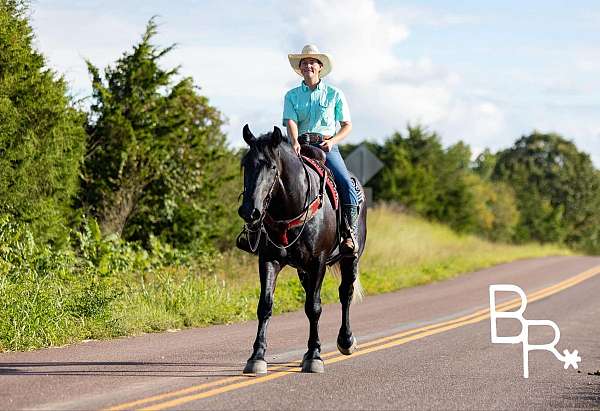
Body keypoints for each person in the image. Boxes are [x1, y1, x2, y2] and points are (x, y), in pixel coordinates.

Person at [283, 44, 360, 254]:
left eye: (311, 62)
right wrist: (294, 141)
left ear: (319, 67)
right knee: (274, 178)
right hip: (300, 145)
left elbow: (347, 125)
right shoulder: (291, 95)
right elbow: (290, 121)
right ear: (300, 69)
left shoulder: (335, 94)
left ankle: (348, 232)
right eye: (304, 63)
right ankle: (260, 232)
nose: (307, 65)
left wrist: (333, 141)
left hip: (326, 146)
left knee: (345, 183)